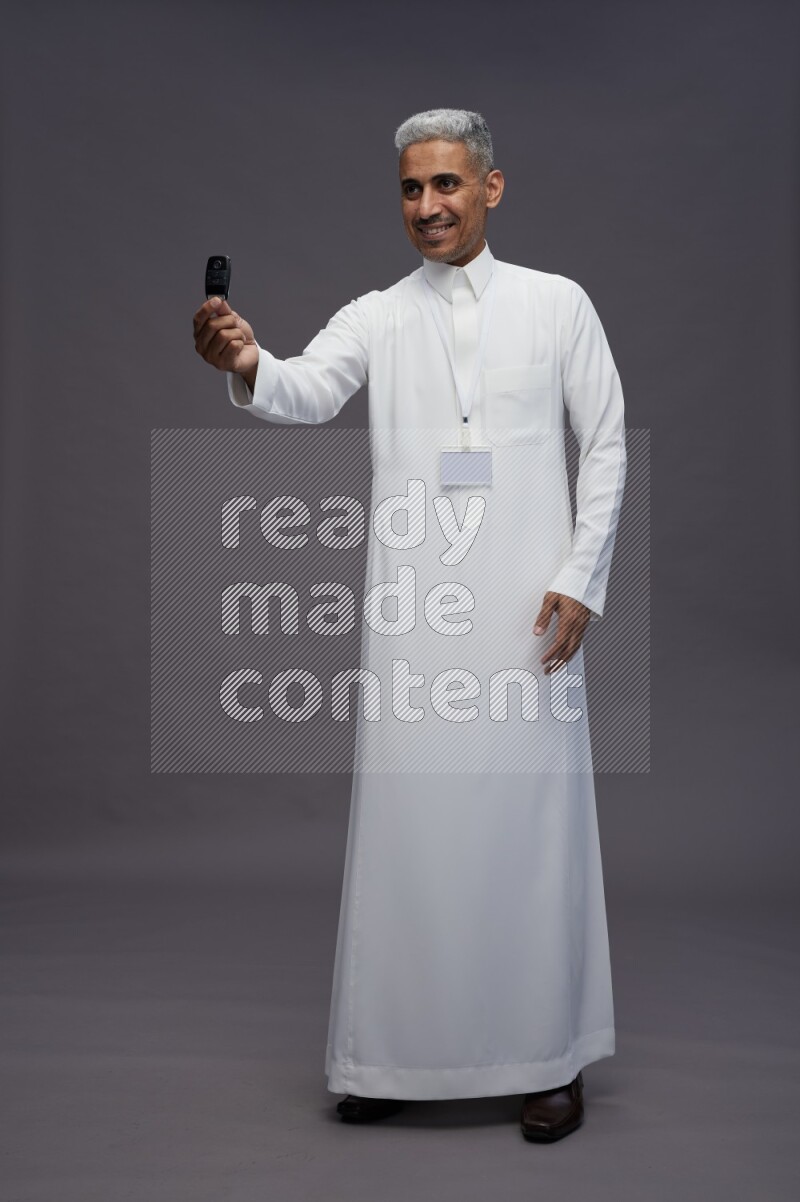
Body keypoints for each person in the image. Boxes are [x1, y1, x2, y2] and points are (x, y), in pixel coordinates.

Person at [192, 108, 627, 1143]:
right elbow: (303, 390)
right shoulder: (378, 316)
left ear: (490, 187)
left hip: (529, 615)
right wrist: (246, 358)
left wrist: (580, 579)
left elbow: (603, 441)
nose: (425, 207)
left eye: (443, 185)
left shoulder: (556, 304)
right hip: (414, 617)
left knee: (531, 838)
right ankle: (391, 1056)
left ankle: (546, 1058)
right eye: (408, 189)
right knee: (408, 838)